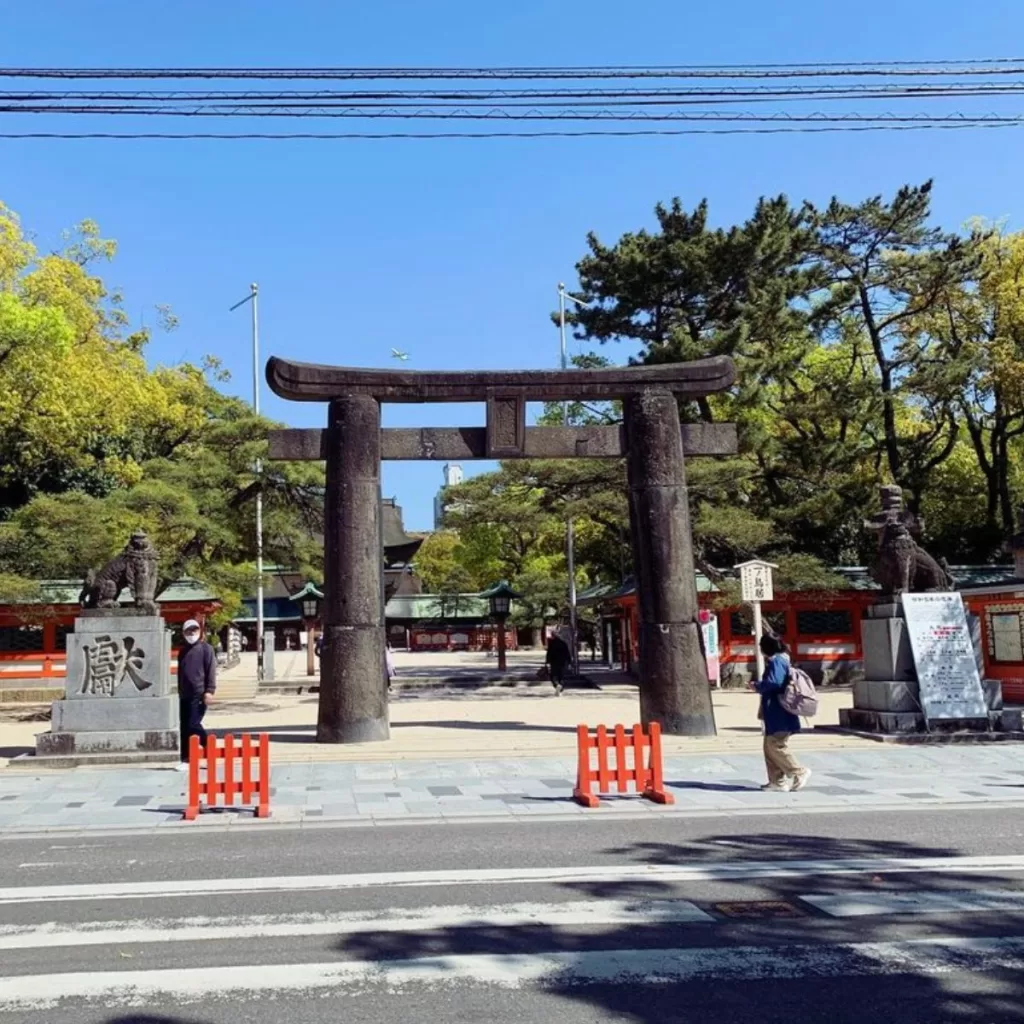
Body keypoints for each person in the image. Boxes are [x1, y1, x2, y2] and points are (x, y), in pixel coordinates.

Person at [749, 633, 811, 792]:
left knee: (776, 744)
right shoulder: (783, 659)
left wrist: (757, 686)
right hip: (777, 711)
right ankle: (777, 781)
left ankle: (798, 771)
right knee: (769, 746)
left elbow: (774, 682)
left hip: (779, 710)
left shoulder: (777, 661)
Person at [176, 618, 216, 772]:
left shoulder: (206, 649)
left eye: (194, 630)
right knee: (184, 727)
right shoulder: (183, 651)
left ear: (200, 632)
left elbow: (211, 671)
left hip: (199, 693)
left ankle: (208, 746)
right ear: (184, 633)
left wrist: (209, 691)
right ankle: (186, 758)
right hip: (184, 694)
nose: (192, 633)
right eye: (188, 631)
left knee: (194, 724)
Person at [546, 628, 571, 695]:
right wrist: (569, 662)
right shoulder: (563, 643)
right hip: (563, 662)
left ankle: (556, 685)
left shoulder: (552, 644)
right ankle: (560, 688)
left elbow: (549, 653)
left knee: (553, 676)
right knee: (561, 676)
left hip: (554, 662)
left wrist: (547, 662)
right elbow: (567, 653)